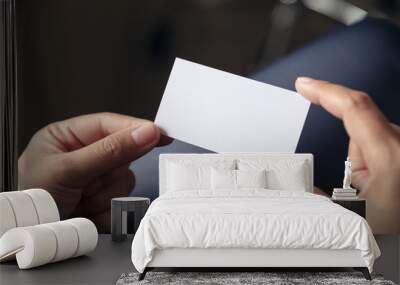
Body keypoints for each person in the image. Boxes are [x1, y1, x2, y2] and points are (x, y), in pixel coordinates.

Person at [19, 18, 400, 233]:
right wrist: (384, 245)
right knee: (378, 48)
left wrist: (22, 208)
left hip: (60, 221)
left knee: (375, 48)